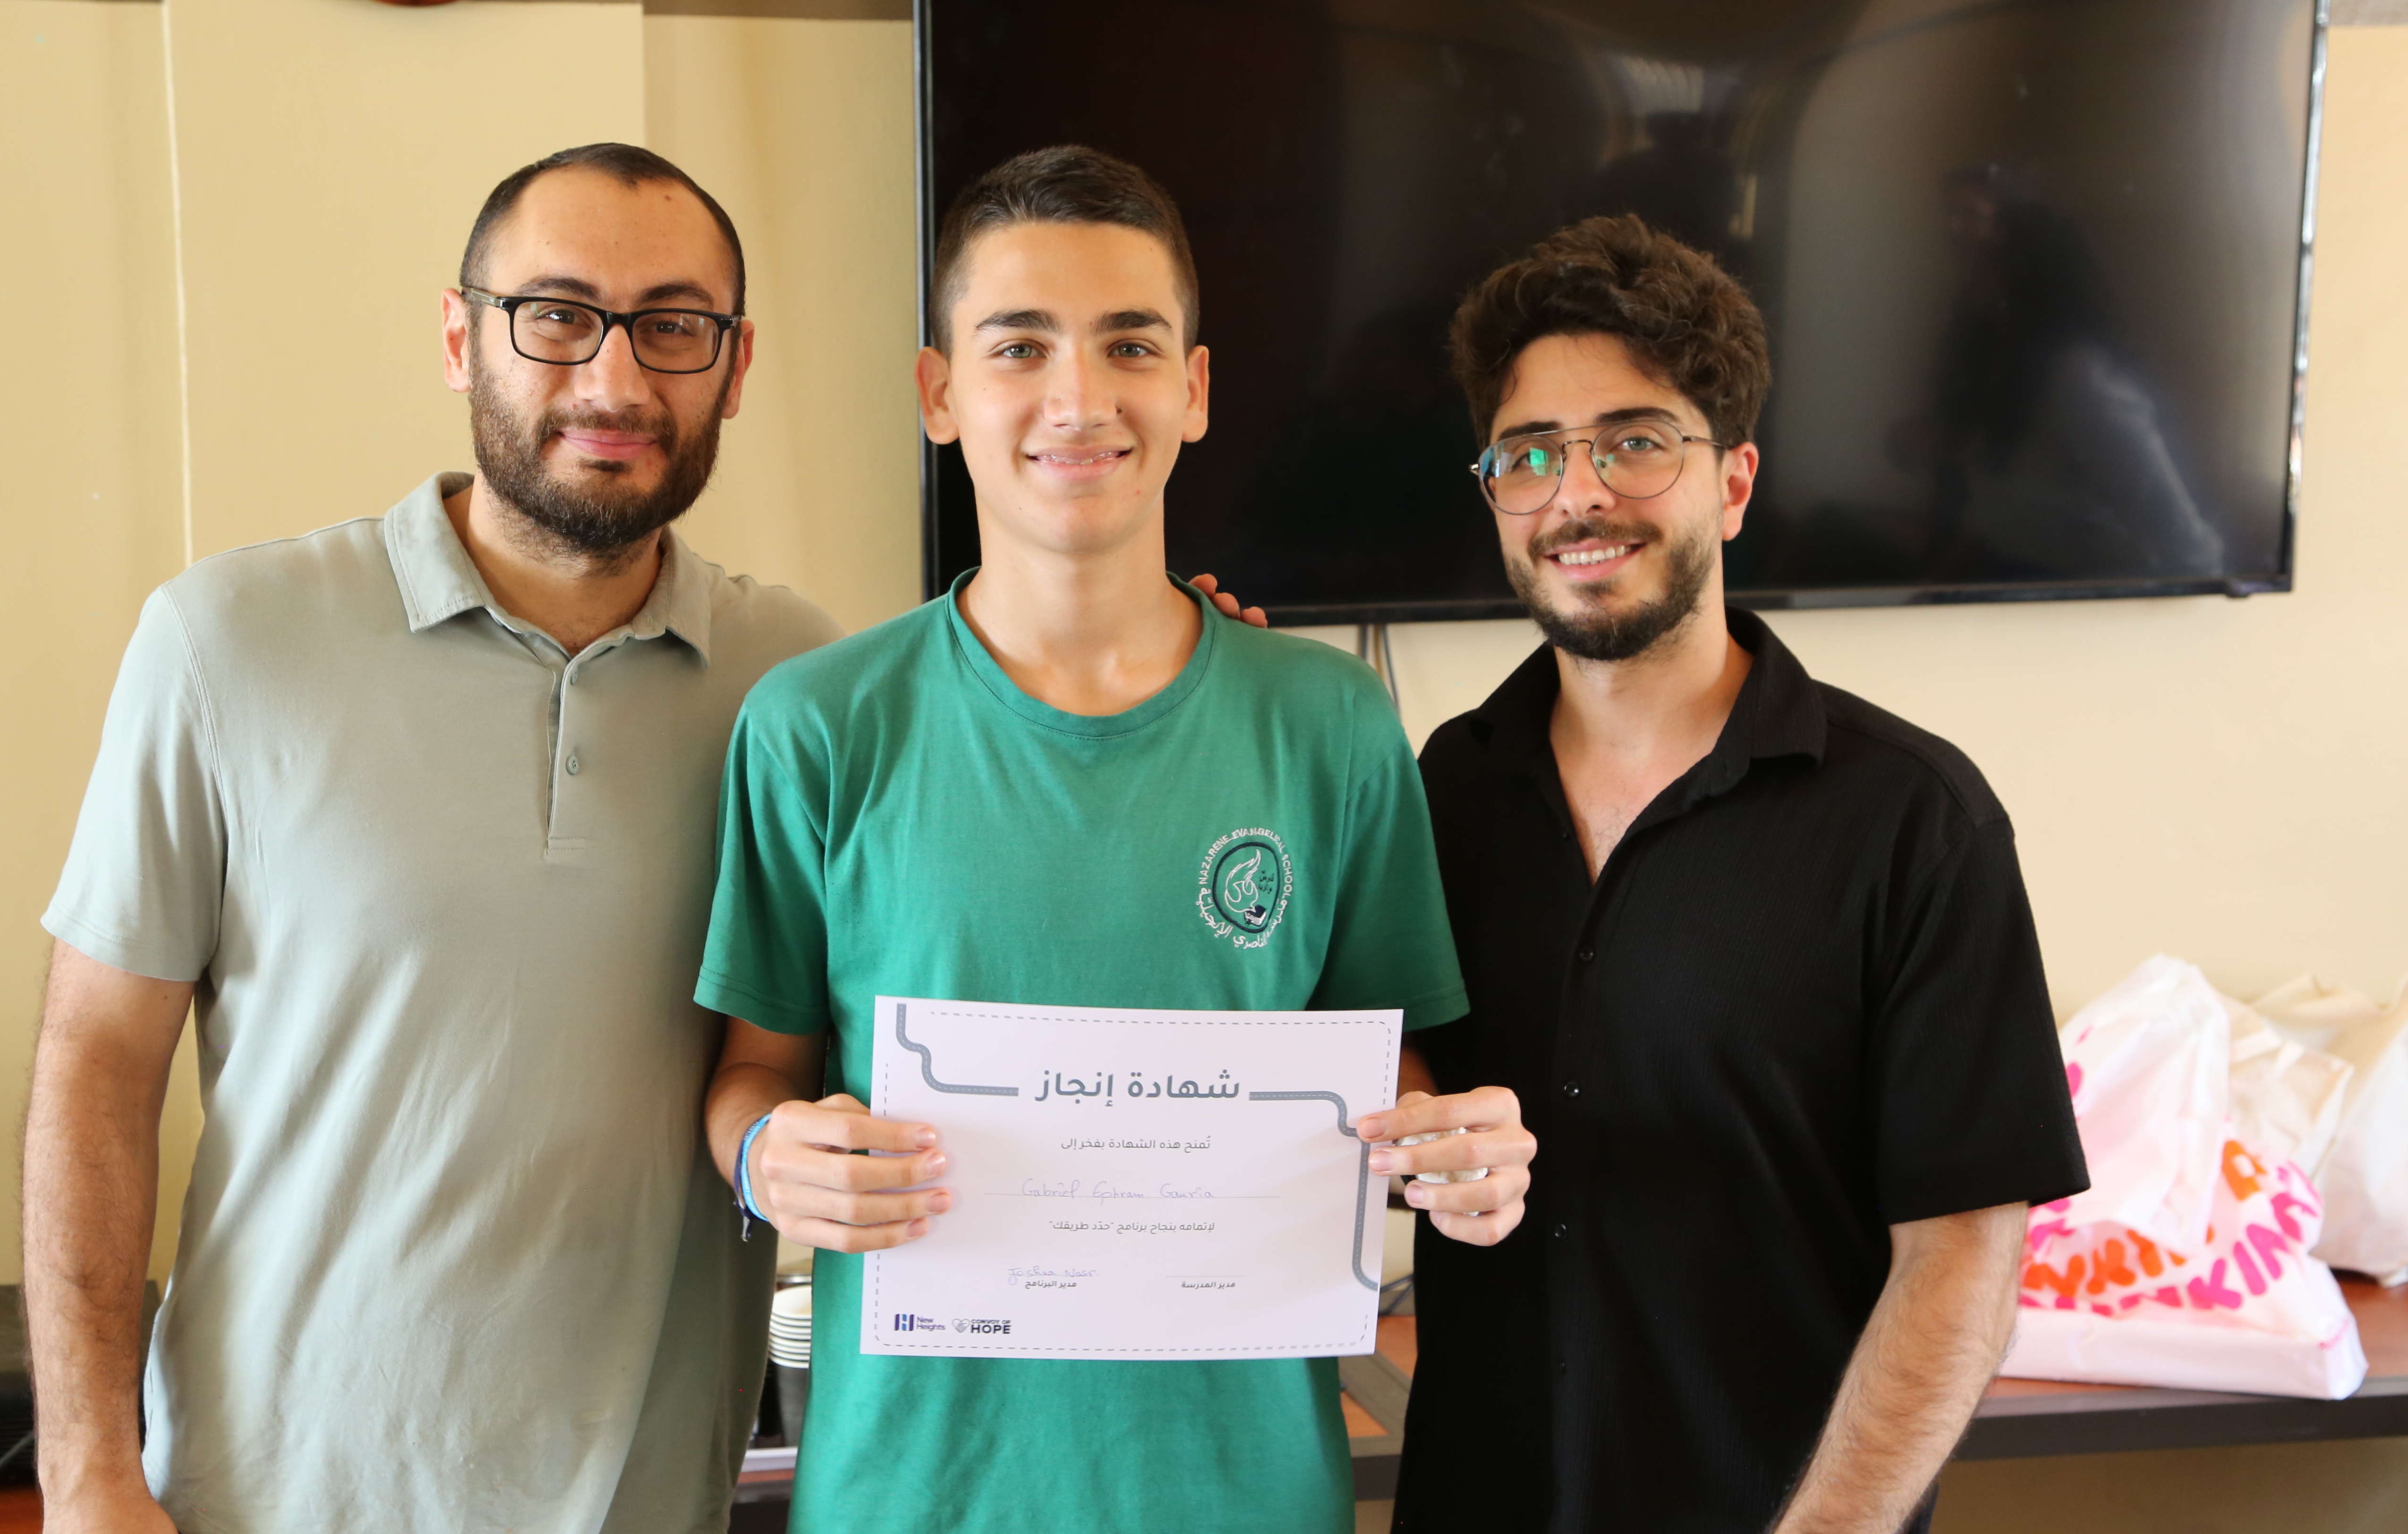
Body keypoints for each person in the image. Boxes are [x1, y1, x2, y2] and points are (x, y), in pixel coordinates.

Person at [690, 146, 1537, 1534]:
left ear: (1193, 390)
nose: (1079, 398)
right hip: (913, 1493)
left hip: (1245, 1492)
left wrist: (1454, 1150)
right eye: (1019, 346)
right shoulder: (819, 725)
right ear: (939, 394)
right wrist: (766, 1156)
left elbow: (1387, 1066)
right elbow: (752, 1072)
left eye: (1129, 345)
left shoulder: (1330, 723)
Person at [22, 144, 839, 1534]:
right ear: (462, 339)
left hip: (648, 1498)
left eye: (673, 325)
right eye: (557, 316)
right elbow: (97, 1059)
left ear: (736, 365)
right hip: (269, 1497)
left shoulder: (803, 682)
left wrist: (1186, 665)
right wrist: (86, 1468)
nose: (615, 379)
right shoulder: (227, 643)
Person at [1390, 214, 2089, 1534]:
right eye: (1531, 454)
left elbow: (1963, 1253)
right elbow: (1364, 1067)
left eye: (1635, 442)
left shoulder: (1913, 820)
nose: (1579, 496)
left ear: (1734, 483)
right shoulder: (1440, 793)